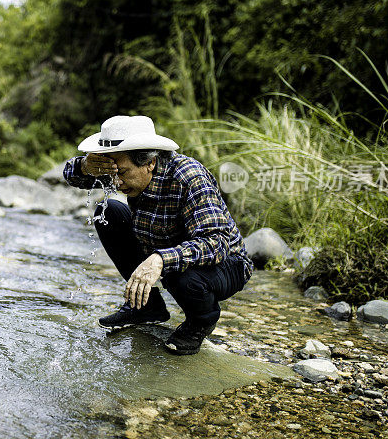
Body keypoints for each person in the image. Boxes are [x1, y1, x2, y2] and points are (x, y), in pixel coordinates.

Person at [63, 115, 253, 355]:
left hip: (226, 264)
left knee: (180, 274)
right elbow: (71, 175)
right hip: (164, 246)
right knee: (108, 211)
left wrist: (160, 260)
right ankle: (147, 307)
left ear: (150, 163)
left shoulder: (188, 176)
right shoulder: (122, 168)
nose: (116, 182)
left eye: (122, 173)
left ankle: (201, 321)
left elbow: (216, 243)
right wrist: (85, 166)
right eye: (110, 174)